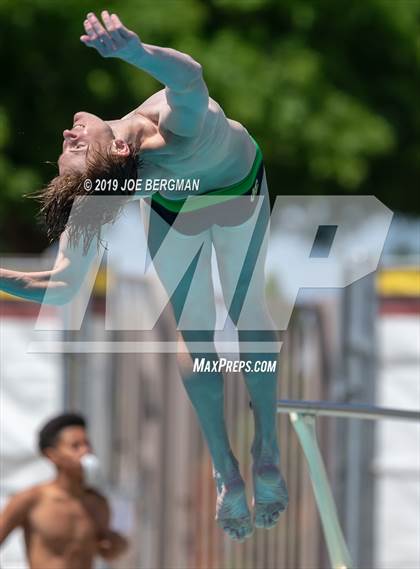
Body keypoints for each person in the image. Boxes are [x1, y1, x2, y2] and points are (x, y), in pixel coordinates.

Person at [0, 11, 288, 542]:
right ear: (122, 153)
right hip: (237, 194)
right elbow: (190, 77)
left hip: (173, 208)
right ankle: (265, 448)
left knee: (194, 327)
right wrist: (133, 52)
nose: (69, 132)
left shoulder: (109, 185)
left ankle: (226, 470)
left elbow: (59, 287)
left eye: (69, 144)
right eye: (77, 145)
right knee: (247, 309)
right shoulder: (176, 132)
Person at [0, 412, 128, 569]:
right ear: (52, 455)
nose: (85, 451)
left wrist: (117, 544)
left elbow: (110, 550)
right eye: (75, 446)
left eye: (87, 444)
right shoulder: (31, 500)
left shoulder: (98, 503)